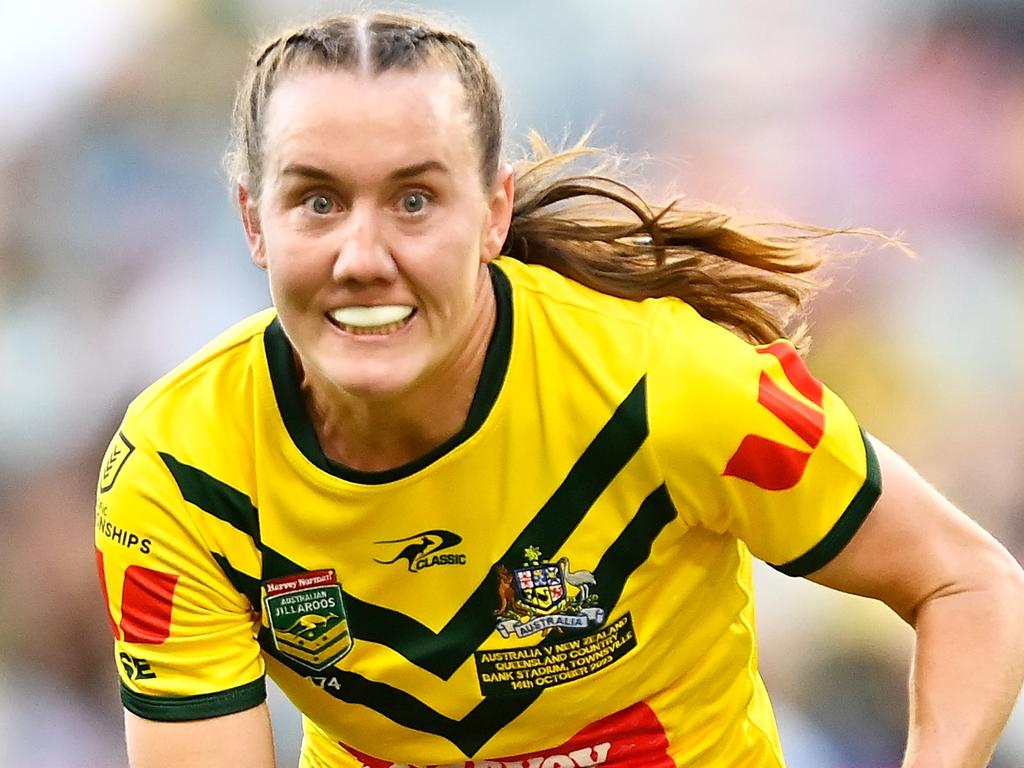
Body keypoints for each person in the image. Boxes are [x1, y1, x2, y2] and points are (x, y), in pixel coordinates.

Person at [93, 11, 1024, 768]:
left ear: (493, 213)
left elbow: (969, 583)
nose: (362, 258)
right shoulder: (177, 474)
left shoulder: (676, 387)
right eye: (318, 201)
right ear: (254, 222)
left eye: (416, 200)